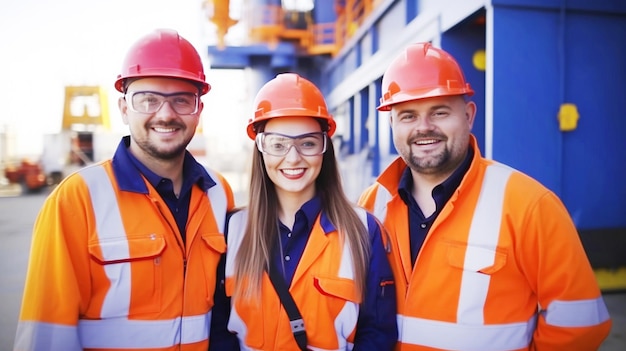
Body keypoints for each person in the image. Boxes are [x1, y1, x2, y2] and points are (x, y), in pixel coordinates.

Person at [358, 42, 612, 350]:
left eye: (439, 112)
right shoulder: (371, 205)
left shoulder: (529, 206)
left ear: (469, 115)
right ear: (393, 124)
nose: (423, 128)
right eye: (408, 116)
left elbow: (580, 323)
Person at [14, 29, 235, 351]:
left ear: (198, 110)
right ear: (123, 108)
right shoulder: (77, 199)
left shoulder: (218, 193)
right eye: (148, 99)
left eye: (182, 100)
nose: (166, 114)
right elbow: (46, 335)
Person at [211, 73, 398, 350]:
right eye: (278, 144)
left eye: (308, 143)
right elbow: (217, 331)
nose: (294, 157)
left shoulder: (363, 231)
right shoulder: (232, 231)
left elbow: (377, 334)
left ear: (324, 149)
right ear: (261, 150)